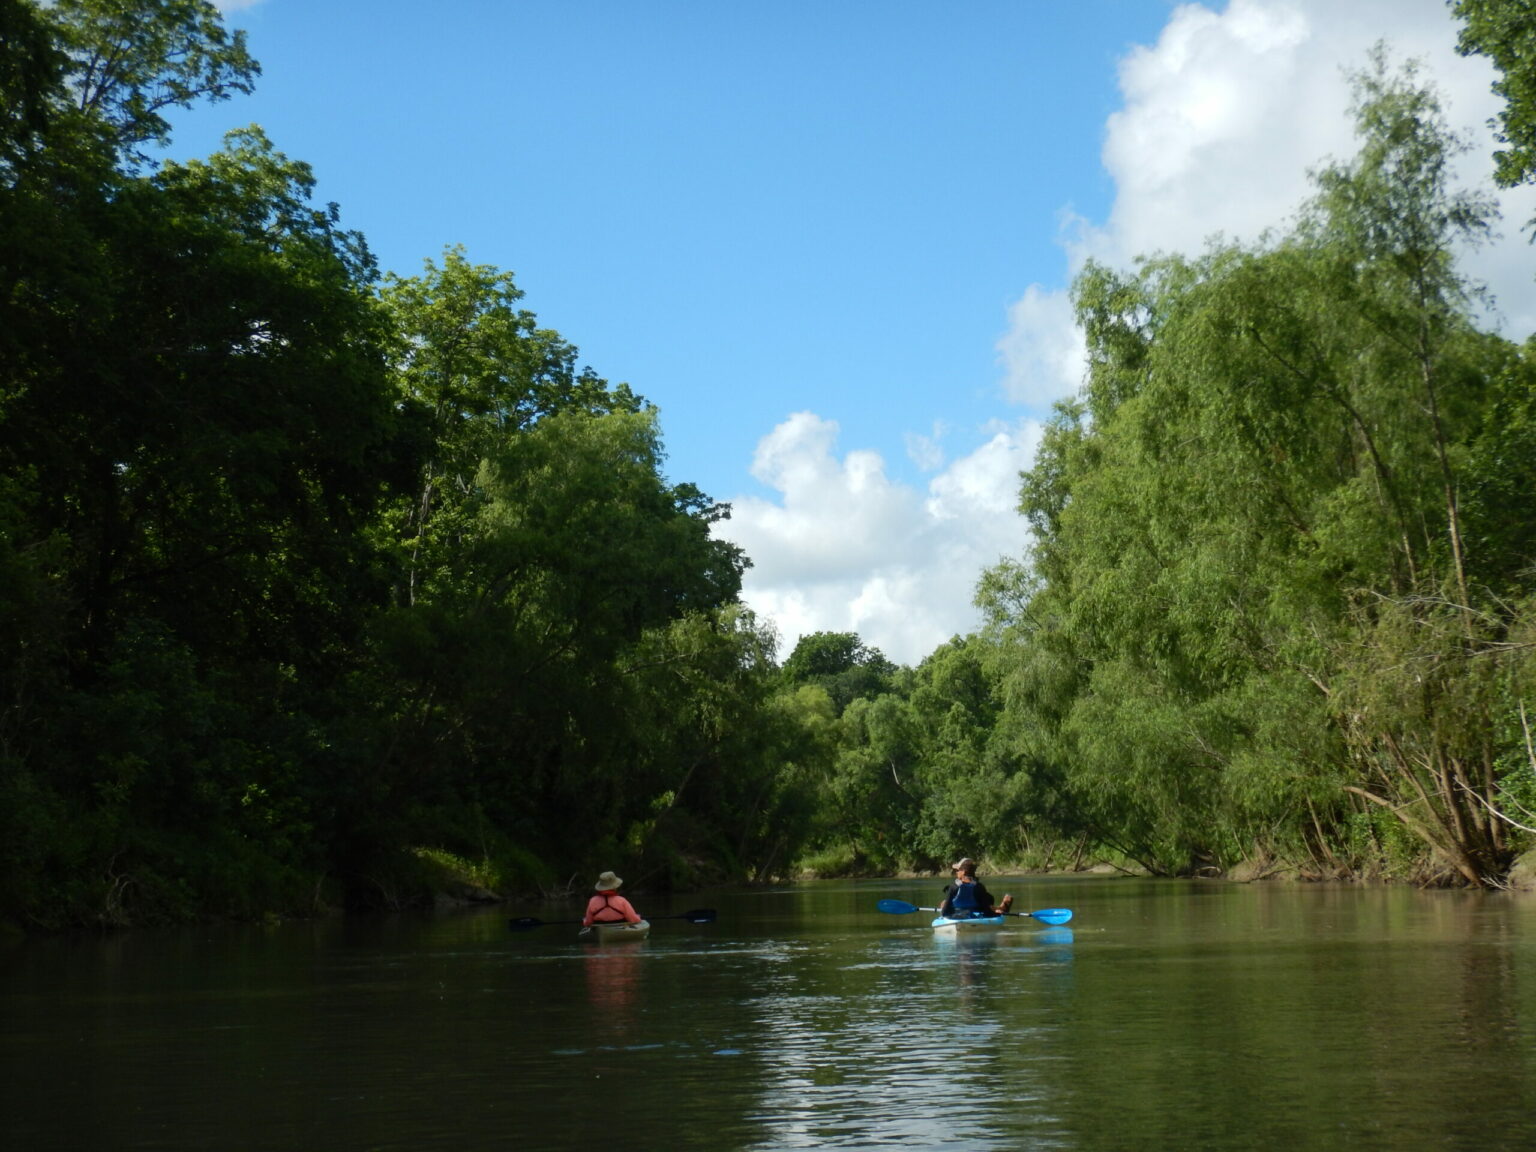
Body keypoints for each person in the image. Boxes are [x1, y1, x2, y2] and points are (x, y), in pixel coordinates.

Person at [938, 858, 1014, 919]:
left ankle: (1002, 907)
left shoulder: (953, 887)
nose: (956, 872)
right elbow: (987, 912)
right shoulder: (979, 887)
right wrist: (997, 915)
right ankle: (1002, 908)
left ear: (963, 872)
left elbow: (944, 912)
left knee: (943, 903)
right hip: (975, 913)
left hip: (957, 914)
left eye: (958, 870)